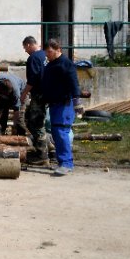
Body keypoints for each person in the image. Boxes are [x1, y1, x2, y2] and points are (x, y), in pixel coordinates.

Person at [42, 40, 84, 176]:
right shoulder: (50, 65)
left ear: (58, 49)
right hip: (54, 104)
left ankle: (66, 163)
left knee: (61, 131)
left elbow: (73, 82)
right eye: (46, 52)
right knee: (56, 132)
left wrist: (77, 101)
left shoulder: (66, 64)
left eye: (49, 52)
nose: (47, 55)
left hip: (64, 103)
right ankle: (62, 162)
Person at [20, 35, 49, 166]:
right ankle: (50, 148)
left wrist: (24, 93)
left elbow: (32, 79)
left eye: (25, 48)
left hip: (38, 95)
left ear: (29, 45)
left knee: (34, 123)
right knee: (36, 120)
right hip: (47, 93)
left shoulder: (33, 58)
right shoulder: (45, 55)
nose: (25, 51)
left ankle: (42, 154)